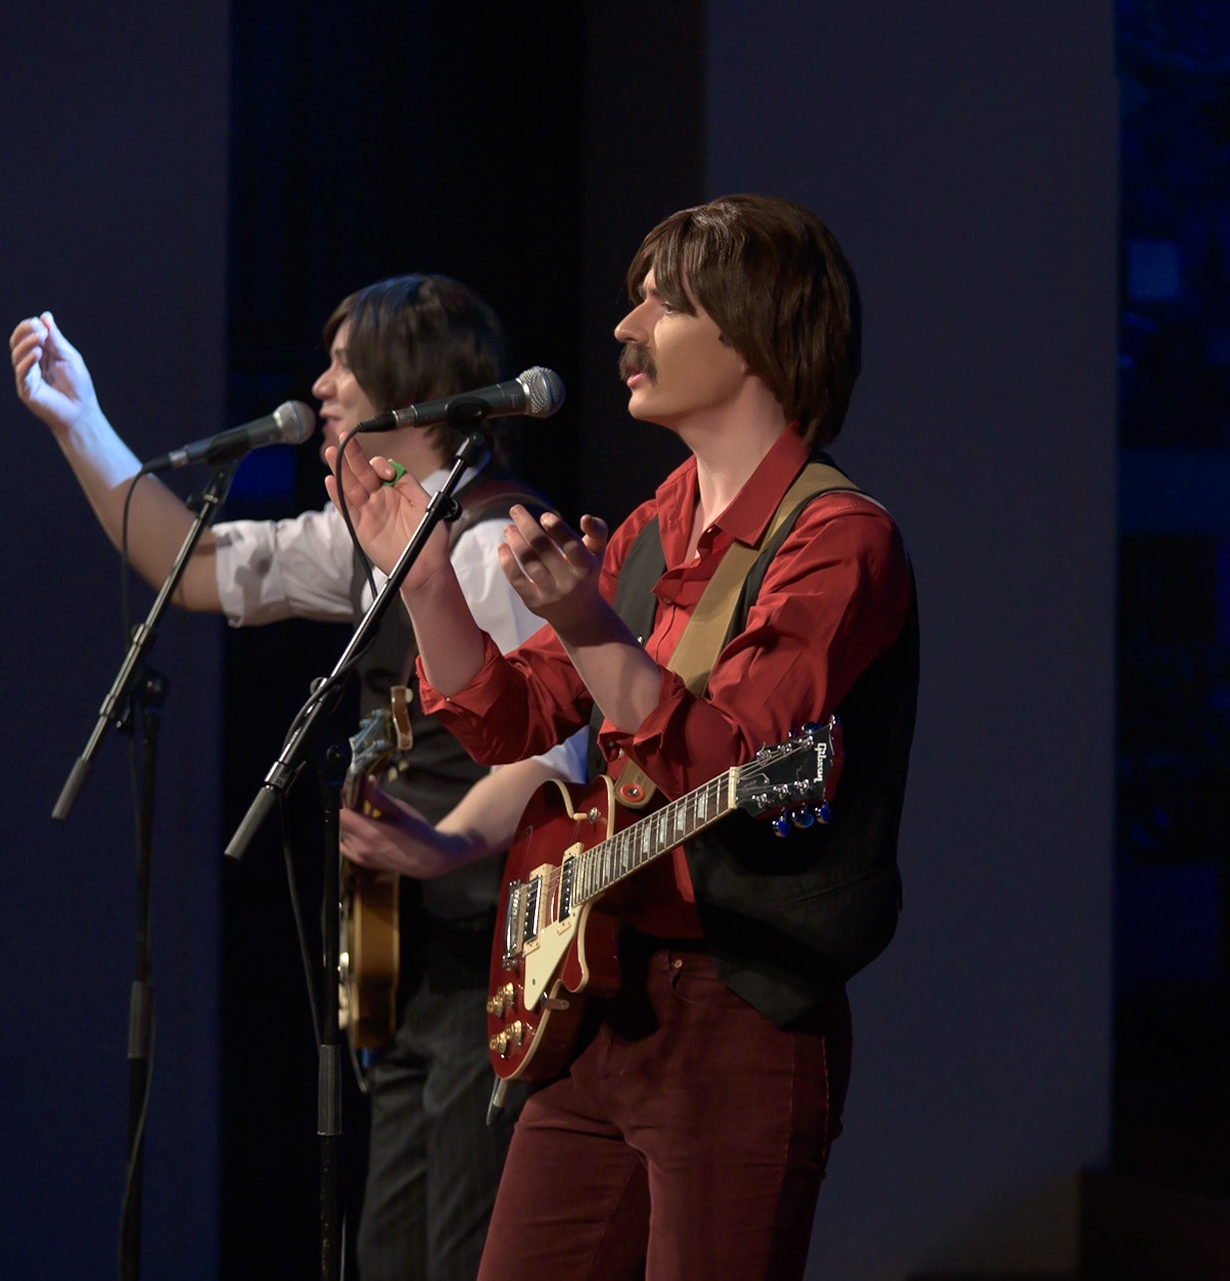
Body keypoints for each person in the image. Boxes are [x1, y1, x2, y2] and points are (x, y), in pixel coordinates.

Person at [327, 196, 919, 1279]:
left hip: (743, 1011)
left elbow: (730, 755)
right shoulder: (656, 523)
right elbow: (512, 716)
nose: (624, 327)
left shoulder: (840, 542)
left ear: (753, 332)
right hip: (599, 1002)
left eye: (664, 301)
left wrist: (589, 621)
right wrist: (423, 586)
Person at [8, 274, 582, 1281]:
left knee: (463, 1254)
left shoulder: (493, 543)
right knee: (391, 1254)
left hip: (497, 967)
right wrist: (80, 422)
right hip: (414, 975)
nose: (321, 387)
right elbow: (196, 566)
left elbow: (554, 753)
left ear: (412, 383)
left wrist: (445, 844)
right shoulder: (367, 546)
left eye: (345, 364)